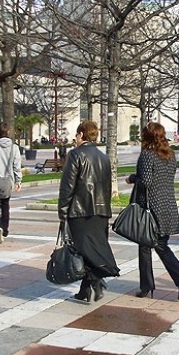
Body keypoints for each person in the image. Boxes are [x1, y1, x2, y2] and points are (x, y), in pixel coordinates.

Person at [125, 122, 179, 300]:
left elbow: (145, 181)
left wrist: (131, 178)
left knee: (145, 246)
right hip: (167, 206)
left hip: (150, 207)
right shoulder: (170, 155)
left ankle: (146, 286)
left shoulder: (147, 155)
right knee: (162, 246)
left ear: (148, 136)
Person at [58, 120, 119, 302]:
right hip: (101, 210)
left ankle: (96, 281)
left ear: (82, 135)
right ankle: (85, 291)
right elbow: (107, 187)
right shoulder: (104, 157)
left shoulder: (75, 155)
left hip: (80, 210)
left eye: (77, 135)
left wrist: (63, 210)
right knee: (91, 249)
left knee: (82, 250)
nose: (75, 138)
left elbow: (67, 186)